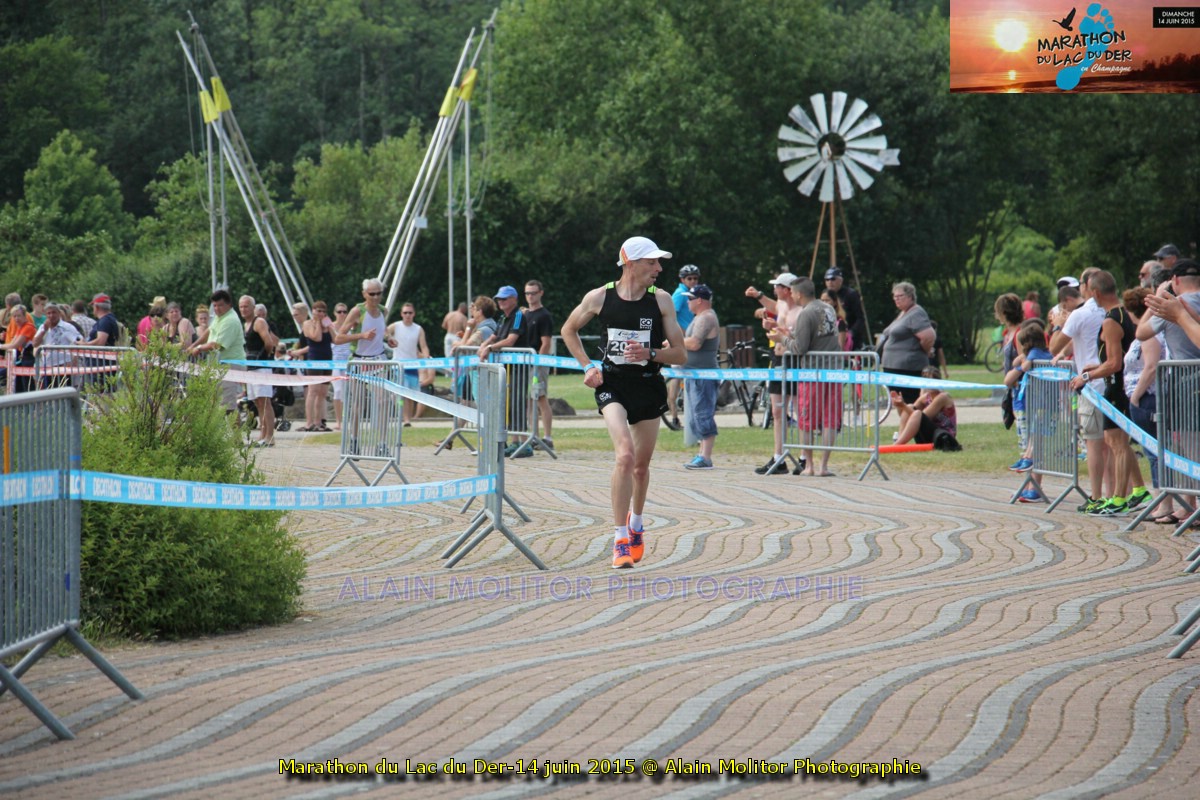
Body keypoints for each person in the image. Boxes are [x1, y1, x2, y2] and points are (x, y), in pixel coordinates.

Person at [560, 235, 686, 569]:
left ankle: (636, 525)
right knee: (625, 456)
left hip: (648, 385)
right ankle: (619, 541)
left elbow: (681, 354)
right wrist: (587, 366)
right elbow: (568, 330)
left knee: (641, 467)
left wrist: (650, 353)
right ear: (630, 263)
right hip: (612, 384)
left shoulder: (662, 301)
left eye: (659, 263)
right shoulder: (599, 297)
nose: (658, 268)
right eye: (652, 262)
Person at [1068, 270, 1149, 516]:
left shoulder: (1111, 320)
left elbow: (1114, 363)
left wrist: (1086, 376)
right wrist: (1095, 367)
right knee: (1117, 442)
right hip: (1123, 384)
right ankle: (1135, 491)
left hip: (1117, 387)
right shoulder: (1125, 313)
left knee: (1117, 443)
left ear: (1095, 293)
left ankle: (1118, 498)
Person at [1051, 268, 1111, 513]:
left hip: (1091, 384)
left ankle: (1097, 496)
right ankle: (1118, 495)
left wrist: (1059, 325)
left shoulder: (1080, 314)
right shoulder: (1112, 310)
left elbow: (1054, 345)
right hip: (1111, 382)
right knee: (1115, 444)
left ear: (1088, 287)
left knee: (1094, 444)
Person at [1122, 288, 1174, 523]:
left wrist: (1136, 396)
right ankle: (1163, 501)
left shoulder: (1150, 335)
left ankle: (1165, 503)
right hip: (1144, 397)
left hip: (1148, 398)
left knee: (1155, 453)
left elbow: (1151, 366)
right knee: (1153, 453)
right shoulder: (1144, 333)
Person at [745, 270, 803, 475]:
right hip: (778, 360)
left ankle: (804, 457)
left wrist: (779, 330)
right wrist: (758, 296)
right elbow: (771, 306)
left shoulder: (801, 309)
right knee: (777, 411)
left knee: (799, 409)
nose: (774, 289)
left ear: (787, 290)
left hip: (794, 360)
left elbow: (800, 338)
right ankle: (779, 457)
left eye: (777, 286)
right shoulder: (781, 305)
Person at [783, 277, 842, 477]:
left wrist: (782, 339)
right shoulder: (829, 309)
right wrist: (789, 335)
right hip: (834, 372)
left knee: (806, 419)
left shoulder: (806, 313)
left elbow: (800, 348)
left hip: (812, 373)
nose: (791, 295)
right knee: (830, 420)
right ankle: (824, 465)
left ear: (799, 294)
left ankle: (809, 466)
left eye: (792, 292)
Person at [1005, 322, 1053, 483]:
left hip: (1042, 402)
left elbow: (1024, 367)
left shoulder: (1034, 353)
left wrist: (1023, 361)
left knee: (1035, 436)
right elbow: (1016, 362)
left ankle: (1028, 458)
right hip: (1044, 401)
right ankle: (1027, 458)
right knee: (1034, 435)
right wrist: (1022, 358)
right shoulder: (1044, 352)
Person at [187, 289, 246, 412]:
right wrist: (193, 345)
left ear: (229, 304)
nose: (217, 309)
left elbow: (217, 345)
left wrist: (198, 348)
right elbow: (209, 331)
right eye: (214, 305)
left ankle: (235, 426)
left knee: (228, 407)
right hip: (218, 366)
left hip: (230, 366)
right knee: (218, 405)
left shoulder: (230, 320)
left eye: (220, 305)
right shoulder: (220, 317)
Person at [681, 283, 719, 469]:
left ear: (699, 300)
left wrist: (675, 343)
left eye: (690, 299)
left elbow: (695, 343)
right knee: (696, 416)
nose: (687, 302)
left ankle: (706, 457)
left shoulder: (707, 318)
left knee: (703, 414)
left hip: (704, 375)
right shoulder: (700, 317)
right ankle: (701, 454)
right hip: (695, 374)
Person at [879, 282, 935, 404]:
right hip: (893, 367)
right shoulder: (903, 313)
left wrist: (923, 352)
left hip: (908, 367)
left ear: (910, 296)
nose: (896, 299)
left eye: (900, 296)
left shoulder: (916, 313)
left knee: (910, 404)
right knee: (899, 403)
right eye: (894, 296)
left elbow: (929, 337)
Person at [239, 295, 279, 446]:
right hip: (251, 367)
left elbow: (269, 342)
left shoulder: (259, 322)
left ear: (252, 308)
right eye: (241, 306)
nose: (243, 309)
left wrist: (263, 358)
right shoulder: (245, 324)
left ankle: (270, 436)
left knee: (265, 401)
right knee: (257, 402)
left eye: (246, 306)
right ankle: (263, 433)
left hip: (261, 367)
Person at [667, 264, 702, 430]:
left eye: (695, 278)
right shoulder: (680, 294)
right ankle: (674, 416)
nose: (693, 281)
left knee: (685, 375)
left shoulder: (693, 293)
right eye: (689, 278)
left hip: (690, 338)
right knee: (676, 377)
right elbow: (671, 317)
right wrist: (682, 334)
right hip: (682, 340)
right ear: (682, 280)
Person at [291, 300, 334, 432]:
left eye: (323, 311)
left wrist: (330, 325)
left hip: (327, 360)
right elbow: (317, 338)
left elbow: (335, 338)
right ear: (313, 311)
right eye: (318, 311)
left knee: (323, 392)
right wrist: (318, 323)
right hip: (314, 360)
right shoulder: (308, 324)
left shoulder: (326, 323)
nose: (321, 314)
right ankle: (309, 423)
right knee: (312, 391)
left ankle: (318, 422)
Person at [523, 280, 556, 450]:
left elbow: (546, 343)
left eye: (533, 293)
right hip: (526, 362)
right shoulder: (525, 314)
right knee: (530, 401)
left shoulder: (544, 316)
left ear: (540, 293)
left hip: (538, 363)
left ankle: (547, 438)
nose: (530, 296)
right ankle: (534, 436)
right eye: (527, 293)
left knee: (541, 398)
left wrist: (537, 365)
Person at [890, 366, 958, 449]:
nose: (930, 383)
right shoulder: (926, 397)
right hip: (931, 435)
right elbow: (905, 415)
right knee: (910, 406)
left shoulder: (943, 397)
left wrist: (903, 406)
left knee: (916, 412)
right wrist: (899, 406)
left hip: (943, 438)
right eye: (927, 380)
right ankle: (898, 440)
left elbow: (922, 417)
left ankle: (896, 446)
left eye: (933, 380)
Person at [386, 301, 430, 426]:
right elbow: (384, 331)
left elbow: (423, 346)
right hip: (399, 365)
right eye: (405, 313)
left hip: (413, 365)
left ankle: (407, 419)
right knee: (403, 393)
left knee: (411, 396)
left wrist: (426, 357)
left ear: (414, 314)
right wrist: (389, 338)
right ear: (401, 314)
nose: (407, 315)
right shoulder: (396, 326)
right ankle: (406, 419)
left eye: (410, 313)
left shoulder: (418, 329)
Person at [31, 302, 82, 389]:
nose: (51, 315)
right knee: (48, 393)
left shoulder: (67, 327)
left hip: (63, 366)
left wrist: (74, 358)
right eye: (49, 313)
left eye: (54, 312)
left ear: (59, 313)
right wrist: (44, 330)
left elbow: (79, 341)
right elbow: (35, 343)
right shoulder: (43, 327)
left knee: (63, 393)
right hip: (47, 367)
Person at [824, 266, 867, 353]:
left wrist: (851, 333)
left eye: (833, 279)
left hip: (851, 339)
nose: (830, 282)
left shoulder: (851, 294)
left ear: (841, 280)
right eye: (827, 279)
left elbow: (860, 318)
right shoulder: (825, 295)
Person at [0, 305, 37, 392]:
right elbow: (12, 343)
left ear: (24, 316)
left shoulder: (28, 327)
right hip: (23, 358)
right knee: (20, 384)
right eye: (14, 316)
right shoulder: (21, 328)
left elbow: (15, 345)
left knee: (27, 385)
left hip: (30, 358)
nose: (16, 319)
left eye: (19, 316)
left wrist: (1, 346)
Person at [329, 303, 351, 429]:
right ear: (335, 313)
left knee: (346, 392)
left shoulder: (350, 327)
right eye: (339, 312)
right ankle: (338, 421)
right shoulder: (330, 327)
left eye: (344, 311)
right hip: (335, 362)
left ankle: (345, 419)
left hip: (348, 362)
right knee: (337, 391)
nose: (342, 314)